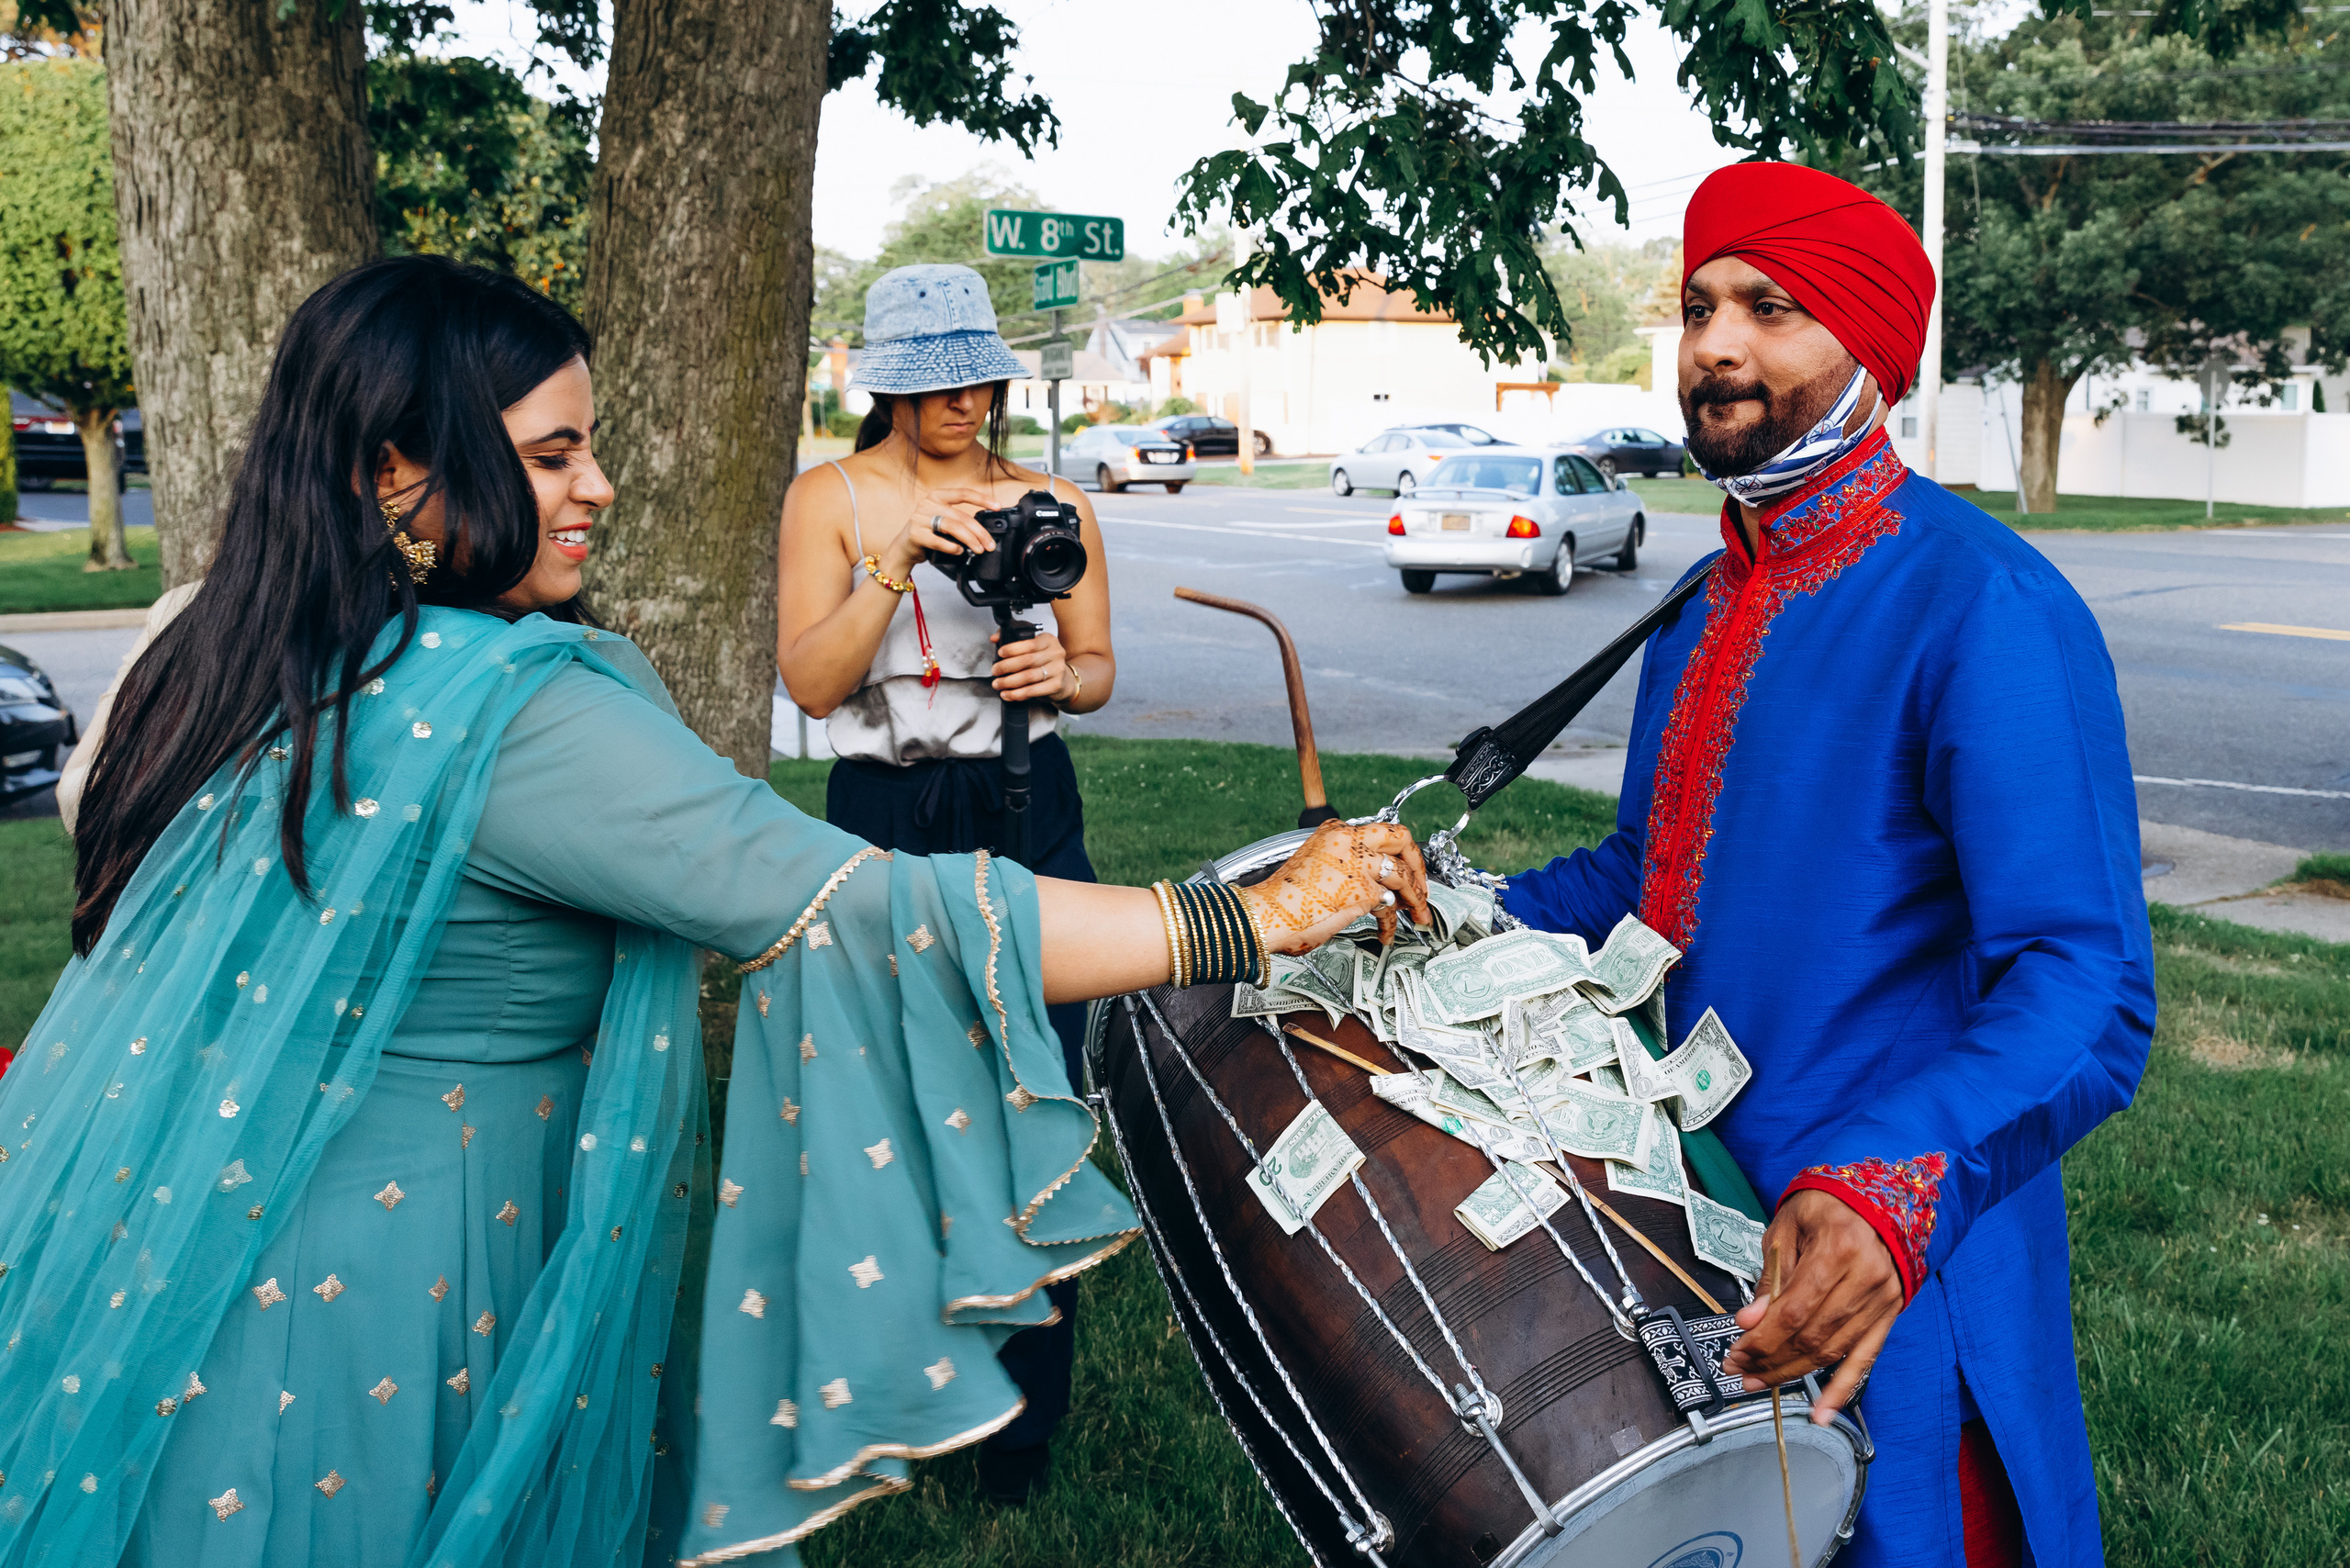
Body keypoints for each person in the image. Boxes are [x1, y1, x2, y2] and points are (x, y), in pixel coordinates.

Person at [5, 253, 1429, 1568]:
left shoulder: (203, 638)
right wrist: (1251, 917)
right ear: (396, 471)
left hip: (178, 1248)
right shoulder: (518, 712)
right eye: (555, 453)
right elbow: (867, 911)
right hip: (408, 1290)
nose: (602, 486)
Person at [1498, 162, 2153, 1568]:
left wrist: (1892, 1188)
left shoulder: (1984, 603)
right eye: (1699, 308)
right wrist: (1445, 918)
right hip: (1702, 1234)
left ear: (1867, 345)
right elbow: (1651, 878)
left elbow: (2087, 985)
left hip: (1888, 1259)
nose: (1718, 345)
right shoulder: (1706, 599)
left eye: (1772, 308)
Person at [776, 263, 1113, 1500]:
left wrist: (1058, 683)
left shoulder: (1046, 497)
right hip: (884, 809)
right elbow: (811, 687)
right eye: (938, 383)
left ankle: (1022, 1426)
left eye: (980, 376)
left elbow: (1098, 665)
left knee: (1039, 1094)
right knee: (898, 1117)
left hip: (1027, 804)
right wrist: (893, 566)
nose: (967, 401)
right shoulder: (833, 499)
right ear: (889, 390)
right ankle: (910, 1395)